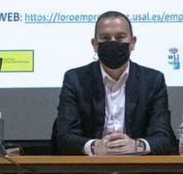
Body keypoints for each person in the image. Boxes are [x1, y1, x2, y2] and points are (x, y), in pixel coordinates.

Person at [52, 11, 176, 155]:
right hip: (91, 169)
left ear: (133, 42)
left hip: (137, 169)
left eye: (120, 37)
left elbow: (164, 137)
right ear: (94, 44)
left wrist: (137, 146)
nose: (112, 42)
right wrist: (94, 146)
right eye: (105, 38)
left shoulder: (153, 80)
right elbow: (64, 136)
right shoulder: (75, 79)